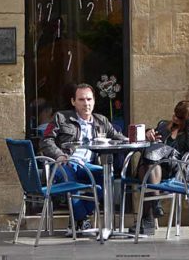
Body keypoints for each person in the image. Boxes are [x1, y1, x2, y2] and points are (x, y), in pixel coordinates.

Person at [40, 83, 127, 234]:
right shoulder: (61, 118)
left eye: (89, 99)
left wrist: (142, 135)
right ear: (73, 101)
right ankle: (81, 219)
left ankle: (79, 219)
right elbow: (46, 140)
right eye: (81, 99)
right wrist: (59, 154)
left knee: (107, 177)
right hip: (66, 163)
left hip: (88, 166)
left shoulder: (101, 121)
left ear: (94, 101)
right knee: (70, 179)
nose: (86, 103)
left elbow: (121, 139)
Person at [135, 100, 189, 234]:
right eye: (174, 114)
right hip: (158, 171)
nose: (174, 118)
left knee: (154, 155)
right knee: (148, 158)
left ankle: (149, 216)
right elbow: (151, 139)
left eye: (179, 117)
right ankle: (151, 215)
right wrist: (148, 133)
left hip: (179, 171)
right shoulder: (164, 125)